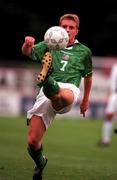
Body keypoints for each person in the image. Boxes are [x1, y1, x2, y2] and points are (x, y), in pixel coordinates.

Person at [21, 13, 93, 180]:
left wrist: (85, 100)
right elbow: (28, 52)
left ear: (77, 31)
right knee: (32, 142)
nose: (67, 30)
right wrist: (27, 44)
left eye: (71, 27)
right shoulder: (50, 42)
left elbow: (88, 77)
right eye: (64, 27)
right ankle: (40, 162)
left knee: (62, 96)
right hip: (46, 95)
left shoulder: (84, 51)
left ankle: (47, 78)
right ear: (59, 27)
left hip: (69, 89)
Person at [98, 63, 117, 147]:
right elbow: (112, 82)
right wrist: (109, 96)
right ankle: (106, 140)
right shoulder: (115, 67)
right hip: (115, 95)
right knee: (109, 116)